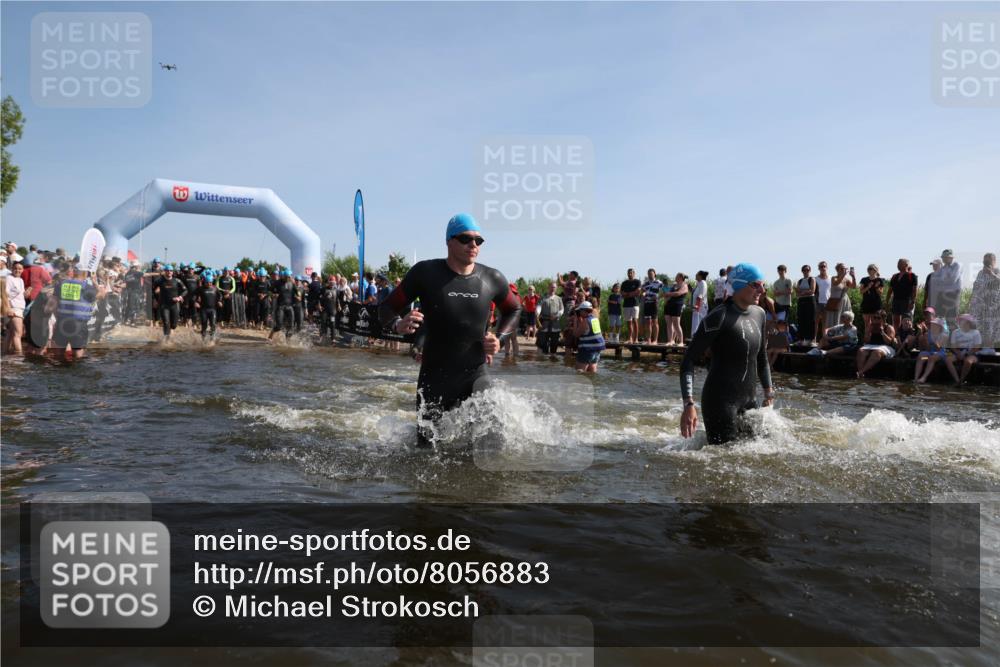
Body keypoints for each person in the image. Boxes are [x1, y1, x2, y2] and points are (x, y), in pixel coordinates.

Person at [379, 213, 521, 447]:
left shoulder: (492, 278)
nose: (473, 245)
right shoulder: (425, 273)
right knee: (426, 454)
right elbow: (386, 308)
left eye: (478, 240)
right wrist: (398, 324)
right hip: (435, 378)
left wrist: (500, 338)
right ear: (449, 241)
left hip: (476, 375)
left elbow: (514, 310)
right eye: (466, 239)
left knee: (491, 446)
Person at [680, 263, 774, 445]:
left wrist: (768, 392)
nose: (762, 290)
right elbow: (688, 361)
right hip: (720, 403)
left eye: (763, 285)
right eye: (755, 284)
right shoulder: (719, 317)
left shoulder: (759, 314)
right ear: (738, 285)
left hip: (750, 403)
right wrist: (689, 405)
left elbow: (761, 357)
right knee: (724, 460)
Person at [47, 263, 104, 359]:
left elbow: (54, 303)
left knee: (58, 353)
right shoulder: (86, 286)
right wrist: (94, 281)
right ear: (85, 273)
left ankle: (57, 372)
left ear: (73, 272)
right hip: (78, 324)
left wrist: (57, 319)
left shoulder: (61, 284)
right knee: (78, 354)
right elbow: (101, 295)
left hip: (62, 321)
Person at [969, 252, 999, 350]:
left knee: (991, 329)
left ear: (994, 261)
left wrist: (991, 273)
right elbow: (976, 288)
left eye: (988, 260)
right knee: (980, 329)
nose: (985, 262)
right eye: (984, 260)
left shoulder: (997, 270)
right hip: (980, 307)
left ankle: (990, 350)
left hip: (993, 308)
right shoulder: (980, 273)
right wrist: (971, 301)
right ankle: (981, 350)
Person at [855, 310, 896, 378]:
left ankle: (861, 372)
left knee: (876, 352)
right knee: (861, 351)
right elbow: (866, 341)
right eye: (874, 317)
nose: (876, 319)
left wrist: (882, 332)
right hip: (871, 345)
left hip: (886, 347)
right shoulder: (870, 326)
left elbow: (889, 342)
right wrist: (868, 333)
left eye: (878, 318)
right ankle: (860, 372)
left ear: (883, 319)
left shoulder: (889, 327)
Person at [945, 314, 982, 385]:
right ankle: (957, 379)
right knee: (948, 360)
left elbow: (977, 347)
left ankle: (961, 380)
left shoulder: (976, 332)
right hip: (958, 352)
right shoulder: (955, 332)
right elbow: (953, 346)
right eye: (960, 321)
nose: (960, 322)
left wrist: (967, 353)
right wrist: (957, 353)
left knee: (968, 361)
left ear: (968, 323)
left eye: (962, 321)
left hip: (972, 353)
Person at [154, 265, 187, 340]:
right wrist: (155, 300)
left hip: (174, 305)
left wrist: (180, 297)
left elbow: (185, 290)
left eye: (171, 271)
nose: (169, 272)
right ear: (165, 271)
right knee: (166, 322)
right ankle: (166, 340)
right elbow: (153, 290)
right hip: (164, 305)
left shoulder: (177, 280)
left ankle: (169, 332)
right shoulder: (159, 281)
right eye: (167, 270)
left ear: (172, 272)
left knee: (174, 325)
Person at [572, 301, 604, 373]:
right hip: (597, 349)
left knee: (579, 372)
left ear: (584, 311)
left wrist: (575, 320)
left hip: (587, 349)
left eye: (580, 311)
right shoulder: (595, 319)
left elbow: (576, 334)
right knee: (592, 372)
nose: (579, 313)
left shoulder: (585, 321)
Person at [886, 258, 918, 330]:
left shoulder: (912, 276)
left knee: (907, 321)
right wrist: (887, 301)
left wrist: (913, 302)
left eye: (900, 263)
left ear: (906, 265)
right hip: (896, 301)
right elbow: (890, 290)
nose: (898, 265)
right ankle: (897, 338)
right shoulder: (894, 276)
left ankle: (907, 338)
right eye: (898, 263)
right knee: (895, 321)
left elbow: (915, 290)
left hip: (907, 301)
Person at [933, 249, 962, 327]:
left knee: (951, 317)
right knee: (939, 316)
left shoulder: (957, 265)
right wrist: (945, 279)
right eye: (943, 257)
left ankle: (954, 336)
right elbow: (938, 282)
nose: (943, 259)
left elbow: (953, 279)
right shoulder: (943, 268)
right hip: (942, 294)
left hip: (953, 294)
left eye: (946, 257)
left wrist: (943, 280)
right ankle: (942, 337)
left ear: (951, 258)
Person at [915, 319, 949, 383]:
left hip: (941, 354)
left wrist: (933, 341)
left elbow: (938, 348)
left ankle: (924, 377)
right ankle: (916, 378)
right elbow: (928, 349)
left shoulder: (944, 335)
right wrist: (925, 341)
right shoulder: (929, 332)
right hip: (930, 353)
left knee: (931, 358)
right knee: (921, 356)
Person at [825, 263, 855, 332]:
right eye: (841, 268)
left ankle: (844, 335)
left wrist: (853, 277)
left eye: (844, 268)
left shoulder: (846, 280)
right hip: (835, 301)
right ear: (837, 270)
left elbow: (853, 286)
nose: (843, 270)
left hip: (845, 301)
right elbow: (836, 283)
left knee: (846, 318)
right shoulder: (834, 278)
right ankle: (832, 335)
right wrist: (843, 275)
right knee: (834, 319)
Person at [268, 269, 297, 340]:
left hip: (290, 307)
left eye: (289, 277)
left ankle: (287, 340)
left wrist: (298, 295)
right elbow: (269, 290)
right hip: (281, 306)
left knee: (291, 326)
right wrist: (273, 295)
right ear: (284, 276)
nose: (288, 278)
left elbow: (297, 292)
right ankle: (271, 334)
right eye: (287, 277)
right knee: (279, 325)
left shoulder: (292, 284)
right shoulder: (278, 283)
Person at [537, 281, 564, 354]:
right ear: (548, 287)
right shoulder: (543, 298)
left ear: (556, 288)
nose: (552, 289)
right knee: (543, 345)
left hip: (555, 324)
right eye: (551, 287)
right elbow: (539, 306)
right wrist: (537, 312)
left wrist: (557, 315)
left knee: (554, 345)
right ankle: (545, 363)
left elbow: (562, 310)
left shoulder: (559, 299)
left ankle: (552, 361)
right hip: (544, 324)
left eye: (554, 287)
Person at [4, 261, 25, 354]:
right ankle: (19, 356)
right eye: (15, 268)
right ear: (12, 269)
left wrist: (27, 293)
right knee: (18, 333)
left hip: (19, 308)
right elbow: (5, 295)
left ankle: (4, 354)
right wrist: (8, 309)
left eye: (20, 268)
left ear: (22, 270)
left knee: (10, 333)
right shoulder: (9, 278)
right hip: (13, 309)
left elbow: (20, 295)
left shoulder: (20, 280)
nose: (17, 270)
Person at [858, 264, 885, 333]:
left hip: (876, 304)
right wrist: (868, 287)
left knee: (876, 323)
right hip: (866, 303)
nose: (869, 270)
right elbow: (861, 291)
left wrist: (876, 287)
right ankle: (866, 340)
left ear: (875, 270)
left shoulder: (880, 280)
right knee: (867, 324)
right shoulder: (864, 279)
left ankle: (875, 339)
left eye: (871, 269)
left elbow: (880, 293)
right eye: (868, 269)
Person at [663, 273, 689, 346]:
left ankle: (681, 342)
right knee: (669, 324)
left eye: (676, 276)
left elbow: (678, 293)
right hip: (668, 305)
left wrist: (668, 294)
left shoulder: (684, 285)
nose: (675, 277)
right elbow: (668, 295)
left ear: (680, 277)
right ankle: (670, 341)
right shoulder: (674, 285)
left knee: (676, 324)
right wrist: (666, 298)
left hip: (677, 305)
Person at [795, 265, 817, 345]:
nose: (805, 271)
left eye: (807, 270)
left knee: (810, 320)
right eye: (804, 270)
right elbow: (797, 292)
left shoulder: (812, 279)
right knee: (801, 319)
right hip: (801, 301)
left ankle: (810, 339)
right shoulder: (800, 280)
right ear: (802, 271)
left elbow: (812, 290)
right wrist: (804, 291)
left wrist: (802, 292)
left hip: (810, 300)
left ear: (809, 270)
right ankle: (801, 339)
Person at [195, 271, 219, 341]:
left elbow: (220, 296)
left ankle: (212, 339)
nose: (209, 284)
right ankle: (203, 339)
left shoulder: (215, 288)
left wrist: (219, 301)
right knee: (204, 325)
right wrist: (196, 302)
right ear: (204, 282)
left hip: (213, 310)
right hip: (204, 310)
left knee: (213, 324)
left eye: (210, 282)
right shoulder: (201, 289)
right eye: (207, 282)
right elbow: (194, 295)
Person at [640, 268, 663, 343]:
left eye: (651, 273)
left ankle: (655, 340)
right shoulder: (645, 283)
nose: (650, 275)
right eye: (649, 273)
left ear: (654, 274)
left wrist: (657, 297)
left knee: (655, 321)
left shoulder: (659, 282)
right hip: (647, 304)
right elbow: (642, 292)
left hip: (654, 303)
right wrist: (643, 294)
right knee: (648, 322)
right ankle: (648, 339)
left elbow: (664, 291)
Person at [621, 268, 642, 344]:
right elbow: (622, 294)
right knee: (629, 322)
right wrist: (631, 294)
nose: (630, 274)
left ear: (634, 273)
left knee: (635, 321)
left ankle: (636, 339)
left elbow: (638, 292)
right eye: (628, 273)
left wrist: (628, 294)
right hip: (626, 305)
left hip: (635, 304)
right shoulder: (624, 283)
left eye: (631, 273)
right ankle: (630, 338)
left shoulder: (637, 282)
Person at [814, 261, 831, 340]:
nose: (823, 268)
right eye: (821, 266)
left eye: (824, 266)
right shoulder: (815, 279)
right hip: (817, 303)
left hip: (827, 303)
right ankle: (814, 338)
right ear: (818, 268)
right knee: (816, 322)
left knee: (825, 323)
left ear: (827, 267)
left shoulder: (831, 278)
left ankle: (824, 339)